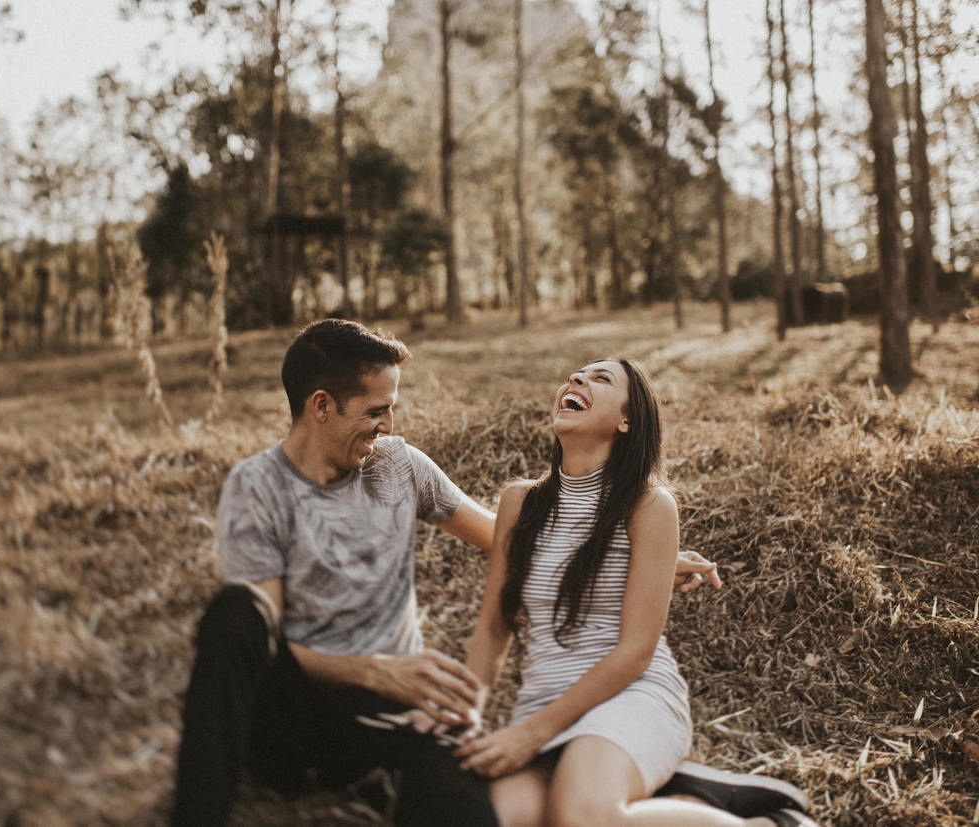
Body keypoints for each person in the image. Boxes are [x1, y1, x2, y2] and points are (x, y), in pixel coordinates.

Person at [170, 320, 808, 826]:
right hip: (305, 702)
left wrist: (651, 564)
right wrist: (377, 670)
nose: (391, 425)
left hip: (408, 714)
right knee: (233, 618)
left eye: (393, 409)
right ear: (321, 406)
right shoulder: (258, 488)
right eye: (377, 410)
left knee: (496, 810)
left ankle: (703, 800)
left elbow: (514, 547)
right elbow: (263, 641)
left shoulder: (398, 466)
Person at [451, 358, 817, 827]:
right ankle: (689, 798)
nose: (577, 379)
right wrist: (462, 716)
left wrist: (529, 736)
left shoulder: (649, 505)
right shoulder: (518, 502)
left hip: (630, 697)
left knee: (581, 817)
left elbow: (636, 652)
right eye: (575, 375)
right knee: (496, 819)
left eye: (600, 378)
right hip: (544, 701)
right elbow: (493, 625)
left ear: (627, 420)